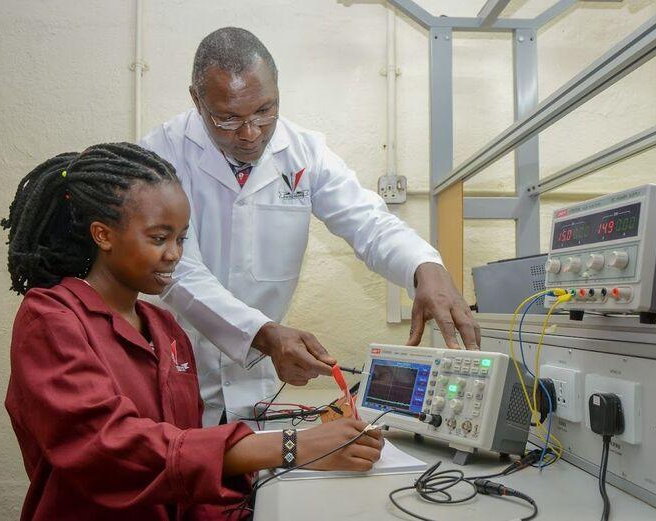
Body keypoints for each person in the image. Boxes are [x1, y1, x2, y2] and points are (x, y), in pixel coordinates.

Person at [2, 142, 383, 520]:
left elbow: (183, 464)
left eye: (181, 238)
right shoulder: (51, 318)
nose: (174, 254)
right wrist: (289, 447)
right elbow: (108, 449)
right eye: (158, 238)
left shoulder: (165, 327)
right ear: (103, 235)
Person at [140, 27, 481, 426]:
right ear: (197, 100)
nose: (251, 134)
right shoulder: (161, 153)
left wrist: (425, 267)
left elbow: (369, 222)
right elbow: (177, 272)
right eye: (228, 118)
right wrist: (264, 334)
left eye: (265, 111)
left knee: (261, 482)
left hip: (258, 382)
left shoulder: (304, 153)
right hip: (181, 367)